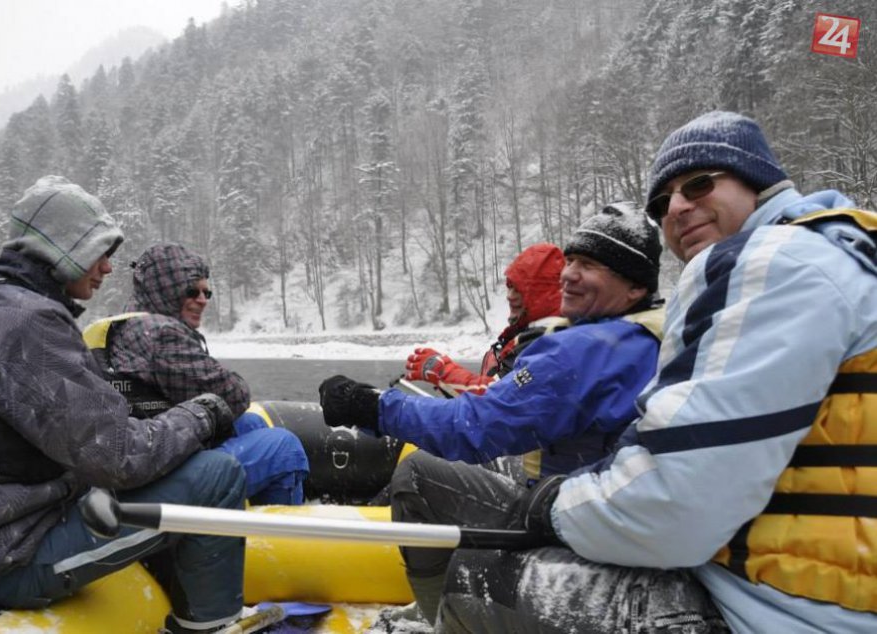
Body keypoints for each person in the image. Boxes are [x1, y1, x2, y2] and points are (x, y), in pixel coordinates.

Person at [420, 111, 877, 633]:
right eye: (662, 203)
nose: (677, 208)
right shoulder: (847, 257)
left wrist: (550, 506)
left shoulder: (769, 262)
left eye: (699, 183)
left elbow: (676, 505)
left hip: (781, 611)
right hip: (830, 590)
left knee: (477, 573)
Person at [0, 176, 249, 634]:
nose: (108, 268)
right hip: (1, 560)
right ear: (64, 249)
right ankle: (211, 627)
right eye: (100, 252)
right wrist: (203, 412)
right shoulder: (26, 324)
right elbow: (120, 458)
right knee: (218, 475)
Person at [319, 203, 670, 623]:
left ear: (634, 287)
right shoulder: (651, 336)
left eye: (590, 265)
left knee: (416, 475)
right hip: (611, 503)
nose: (569, 274)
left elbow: (476, 426)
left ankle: (443, 617)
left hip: (571, 516)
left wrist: (372, 405)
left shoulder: (586, 351)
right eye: (570, 260)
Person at [85, 243, 309, 505]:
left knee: (251, 424)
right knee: (284, 447)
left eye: (207, 292)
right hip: (152, 476)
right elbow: (234, 396)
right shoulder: (160, 333)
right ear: (167, 290)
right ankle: (273, 536)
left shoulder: (123, 324)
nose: (202, 300)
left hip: (135, 454)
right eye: (192, 291)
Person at [404, 242, 566, 396]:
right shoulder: (528, 337)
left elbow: (498, 399)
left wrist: (442, 371)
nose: (510, 296)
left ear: (544, 295)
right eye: (509, 287)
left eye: (520, 289)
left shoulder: (547, 343)